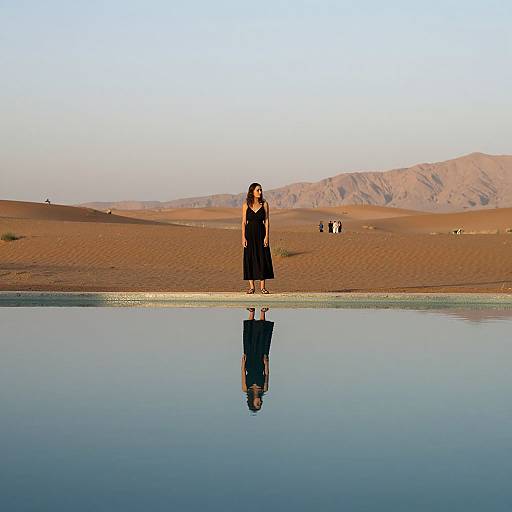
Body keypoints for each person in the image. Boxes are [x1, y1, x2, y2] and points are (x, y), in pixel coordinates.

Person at [242, 183, 274, 294]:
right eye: (258, 190)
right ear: (252, 192)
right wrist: (243, 237)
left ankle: (262, 287)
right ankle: (252, 287)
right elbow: (243, 222)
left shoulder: (265, 204)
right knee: (249, 258)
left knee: (262, 258)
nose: (260, 192)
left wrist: (267, 237)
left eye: (261, 190)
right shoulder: (246, 205)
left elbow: (267, 221)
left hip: (261, 234)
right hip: (249, 235)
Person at [242, 307, 274, 413]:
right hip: (260, 363)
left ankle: (251, 312)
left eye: (257, 404)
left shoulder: (246, 389)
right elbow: (267, 374)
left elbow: (243, 373)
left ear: (252, 402)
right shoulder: (264, 389)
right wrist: (266, 363)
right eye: (260, 404)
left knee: (249, 339)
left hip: (250, 363)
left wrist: (243, 363)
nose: (260, 403)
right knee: (262, 339)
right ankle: (262, 313)